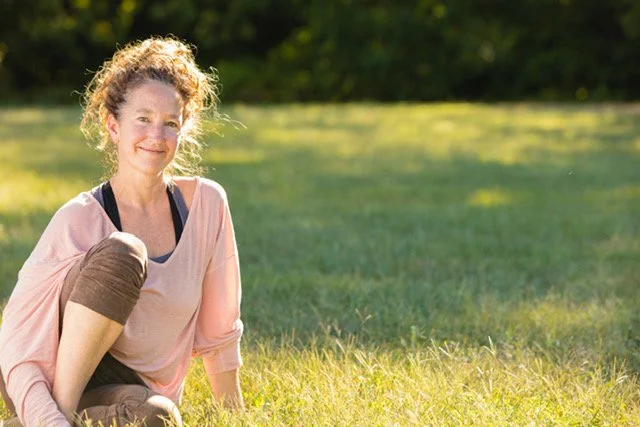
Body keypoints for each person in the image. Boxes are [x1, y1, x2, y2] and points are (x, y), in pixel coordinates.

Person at [0, 37, 244, 426]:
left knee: (158, 417)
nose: (157, 136)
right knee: (123, 253)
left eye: (170, 124)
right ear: (114, 126)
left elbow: (219, 333)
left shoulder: (207, 206)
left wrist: (235, 417)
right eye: (143, 119)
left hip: (131, 391)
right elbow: (18, 343)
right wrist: (48, 418)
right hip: (46, 384)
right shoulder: (79, 218)